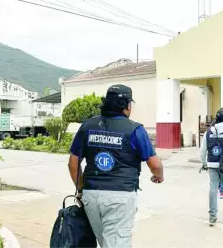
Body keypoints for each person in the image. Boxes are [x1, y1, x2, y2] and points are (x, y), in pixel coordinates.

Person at [68, 84, 164, 248]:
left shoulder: (88, 126)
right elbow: (155, 165)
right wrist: (159, 176)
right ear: (127, 105)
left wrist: (81, 189)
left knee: (106, 242)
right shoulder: (135, 130)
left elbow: (72, 164)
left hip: (91, 196)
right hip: (120, 197)